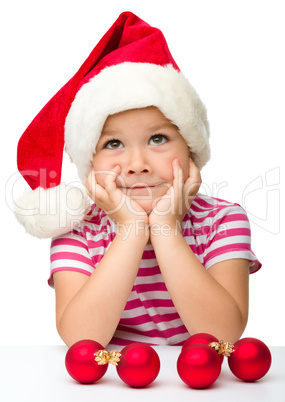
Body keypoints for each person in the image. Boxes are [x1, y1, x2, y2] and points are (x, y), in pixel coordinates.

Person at [15, 12, 261, 348]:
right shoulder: (78, 231)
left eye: (158, 139)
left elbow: (223, 335)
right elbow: (81, 339)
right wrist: (131, 230)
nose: (137, 165)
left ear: (191, 148)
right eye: (113, 143)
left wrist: (165, 227)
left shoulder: (222, 221)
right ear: (89, 164)